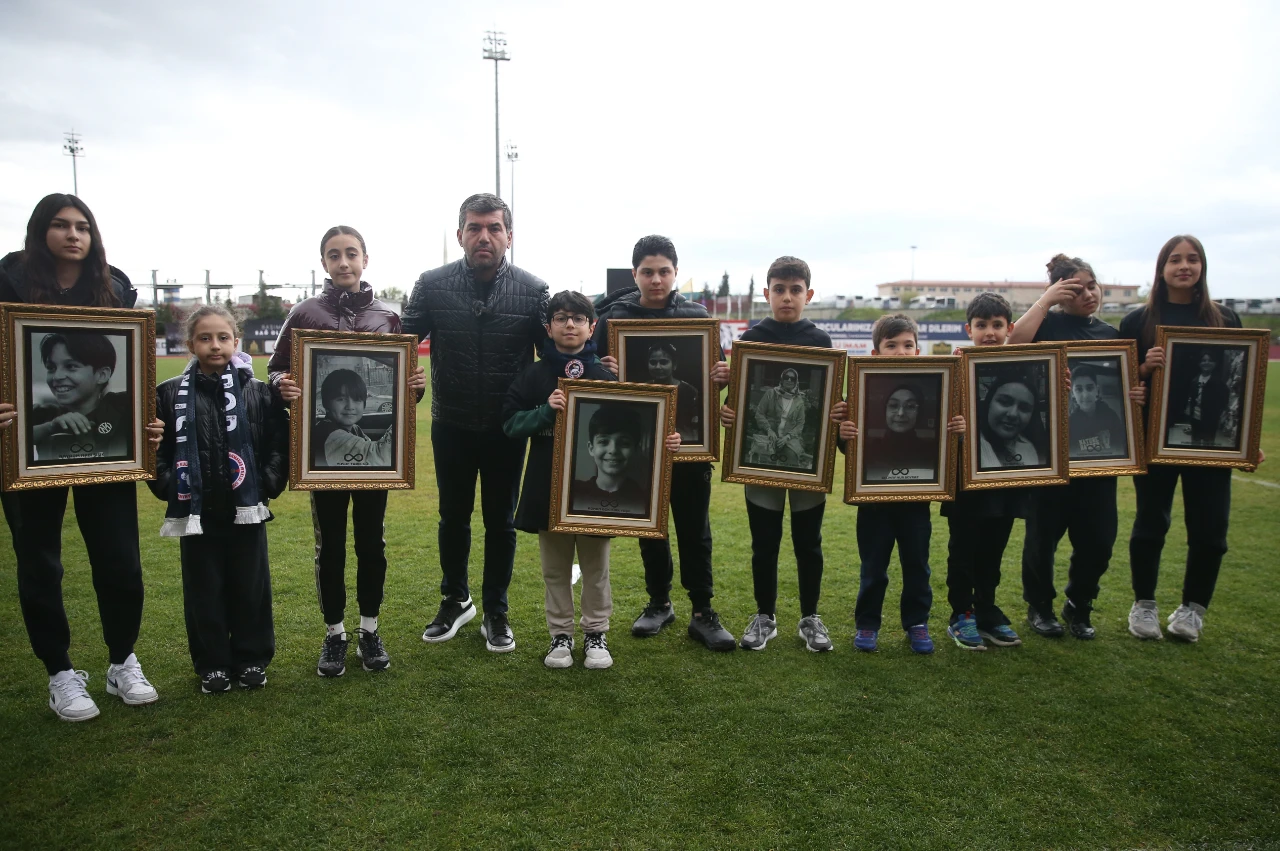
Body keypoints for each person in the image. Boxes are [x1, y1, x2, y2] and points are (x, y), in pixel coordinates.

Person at [0, 193, 162, 722]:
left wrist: (147, 422)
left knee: (120, 562)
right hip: (25, 451)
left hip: (109, 453)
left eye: (83, 227)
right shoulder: (8, 282)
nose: (73, 235)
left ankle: (122, 660)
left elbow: (133, 369)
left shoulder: (113, 287)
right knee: (39, 561)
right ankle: (60, 672)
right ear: (39, 231)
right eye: (61, 225)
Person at [272, 226, 426, 676]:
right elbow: (277, 369)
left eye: (351, 254)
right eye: (334, 255)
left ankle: (370, 629)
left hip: (375, 468)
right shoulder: (304, 313)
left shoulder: (387, 319)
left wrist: (414, 388)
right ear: (323, 262)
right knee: (332, 546)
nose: (344, 262)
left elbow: (403, 392)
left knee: (371, 543)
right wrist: (282, 385)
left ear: (365, 259)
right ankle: (335, 633)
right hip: (320, 461)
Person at [502, 291, 681, 669]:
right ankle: (560, 636)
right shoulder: (533, 375)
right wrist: (543, 412)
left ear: (592, 326)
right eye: (562, 318)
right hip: (546, 487)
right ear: (548, 327)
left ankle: (596, 632)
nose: (570, 324)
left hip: (596, 492)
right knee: (555, 568)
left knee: (596, 567)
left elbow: (640, 424)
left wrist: (665, 438)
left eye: (579, 318)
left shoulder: (605, 376)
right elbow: (509, 424)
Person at [403, 195, 549, 653]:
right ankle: (455, 599)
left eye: (494, 228)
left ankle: (495, 609)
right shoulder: (431, 284)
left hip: (507, 428)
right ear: (460, 232)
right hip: (452, 423)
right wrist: (410, 384)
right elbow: (401, 345)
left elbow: (559, 355)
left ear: (509, 235)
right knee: (453, 517)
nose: (484, 236)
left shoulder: (534, 289)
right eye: (474, 227)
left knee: (500, 522)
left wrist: (597, 372)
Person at [593, 235, 734, 651]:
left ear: (676, 273)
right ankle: (659, 602)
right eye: (648, 272)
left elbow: (718, 375)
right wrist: (601, 368)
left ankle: (703, 610)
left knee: (695, 529)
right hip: (642, 448)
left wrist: (723, 375)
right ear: (634, 273)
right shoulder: (613, 318)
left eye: (664, 272)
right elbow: (589, 379)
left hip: (690, 449)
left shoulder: (697, 317)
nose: (656, 280)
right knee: (650, 529)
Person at [1119, 235, 1262, 642]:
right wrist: (1144, 371)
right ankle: (1143, 605)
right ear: (1162, 268)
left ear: (1202, 267)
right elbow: (1121, 385)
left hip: (1211, 444)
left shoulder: (1225, 319)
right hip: (1154, 441)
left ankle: (1192, 611)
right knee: (1151, 523)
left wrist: (1245, 435)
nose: (1185, 266)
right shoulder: (1137, 321)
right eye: (1176, 260)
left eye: (1193, 259)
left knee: (1211, 530)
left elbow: (1238, 385)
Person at [150, 306, 287, 693]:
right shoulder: (170, 393)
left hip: (247, 511)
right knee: (203, 591)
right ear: (190, 344)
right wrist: (168, 485)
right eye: (205, 338)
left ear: (236, 341)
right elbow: (155, 451)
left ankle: (251, 658)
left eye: (223, 337)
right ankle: (212, 663)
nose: (215, 345)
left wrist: (266, 484)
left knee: (251, 587)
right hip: (197, 513)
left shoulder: (258, 392)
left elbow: (279, 444)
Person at [1009, 253, 1145, 640]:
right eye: (1078, 287)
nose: (1090, 293)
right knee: (1042, 538)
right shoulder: (1044, 325)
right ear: (1060, 291)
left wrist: (1134, 390)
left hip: (1099, 457)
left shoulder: (1109, 334)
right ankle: (1039, 606)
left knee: (1099, 540)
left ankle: (1079, 603)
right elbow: (1012, 343)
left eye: (1092, 285)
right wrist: (1046, 299)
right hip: (1050, 455)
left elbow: (1122, 388)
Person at [719, 258, 848, 651]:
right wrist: (728, 411)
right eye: (779, 289)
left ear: (808, 294)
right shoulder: (750, 340)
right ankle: (765, 615)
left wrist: (837, 410)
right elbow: (741, 404)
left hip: (807, 462)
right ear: (767, 293)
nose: (787, 297)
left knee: (809, 542)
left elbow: (827, 401)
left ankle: (810, 616)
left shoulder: (820, 341)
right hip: (760, 461)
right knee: (765, 542)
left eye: (795, 290)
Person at [845, 314, 966, 654]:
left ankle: (917, 622)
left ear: (918, 350)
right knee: (873, 568)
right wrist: (844, 436)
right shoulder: (861, 390)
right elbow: (847, 448)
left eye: (907, 345)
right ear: (875, 354)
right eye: (891, 345)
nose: (900, 351)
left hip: (916, 504)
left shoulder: (940, 392)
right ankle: (867, 624)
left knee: (917, 565)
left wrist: (957, 432)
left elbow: (949, 452)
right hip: (872, 505)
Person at [941, 293, 1026, 650]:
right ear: (968, 329)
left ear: (1009, 328)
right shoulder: (955, 366)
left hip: (1003, 478)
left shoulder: (1022, 366)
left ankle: (988, 609)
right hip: (964, 479)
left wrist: (1057, 386)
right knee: (964, 549)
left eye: (996, 325)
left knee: (993, 550)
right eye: (981, 325)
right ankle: (962, 613)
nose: (989, 332)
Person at [30, 331, 131, 461]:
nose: (57, 376)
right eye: (51, 368)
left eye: (71, 366)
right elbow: (14, 438)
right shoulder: (43, 415)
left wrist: (155, 428)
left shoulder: (123, 408)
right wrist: (50, 427)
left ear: (102, 375)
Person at [571, 405, 651, 516]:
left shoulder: (646, 500)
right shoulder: (573, 494)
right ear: (591, 448)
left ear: (636, 450)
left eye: (624, 443)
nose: (613, 450)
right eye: (603, 441)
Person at [310, 368, 394, 469]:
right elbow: (380, 459)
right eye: (341, 399)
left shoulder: (354, 428)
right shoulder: (329, 434)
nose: (350, 406)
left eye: (357, 400)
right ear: (326, 404)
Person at [862, 381, 938, 481]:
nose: (901, 413)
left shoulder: (933, 452)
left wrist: (958, 435)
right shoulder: (867, 450)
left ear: (919, 413)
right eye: (893, 405)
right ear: (884, 410)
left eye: (910, 406)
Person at [976, 368, 1045, 469]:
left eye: (1024, 408)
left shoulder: (1029, 447)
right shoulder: (969, 443)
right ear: (989, 403)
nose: (1013, 414)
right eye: (1004, 402)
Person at [748, 368, 809, 468]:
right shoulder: (771, 394)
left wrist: (787, 437)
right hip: (769, 435)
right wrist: (768, 430)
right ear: (782, 379)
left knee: (791, 458)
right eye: (786, 377)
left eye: (792, 378)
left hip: (788, 439)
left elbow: (800, 424)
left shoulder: (799, 401)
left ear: (795, 382)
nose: (789, 380)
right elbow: (759, 413)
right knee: (765, 462)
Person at [644, 341, 702, 444]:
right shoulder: (643, 390)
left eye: (663, 362)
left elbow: (696, 429)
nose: (657, 367)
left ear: (674, 365)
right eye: (653, 362)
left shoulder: (690, 392)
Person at [1174, 348, 1229, 447]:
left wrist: (1219, 414)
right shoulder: (1194, 381)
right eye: (1203, 360)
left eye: (1210, 360)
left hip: (1210, 418)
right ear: (1199, 363)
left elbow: (1224, 401)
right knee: (1195, 441)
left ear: (1215, 364)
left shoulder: (1219, 383)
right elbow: (1191, 399)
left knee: (1208, 442)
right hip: (1195, 417)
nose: (1206, 363)